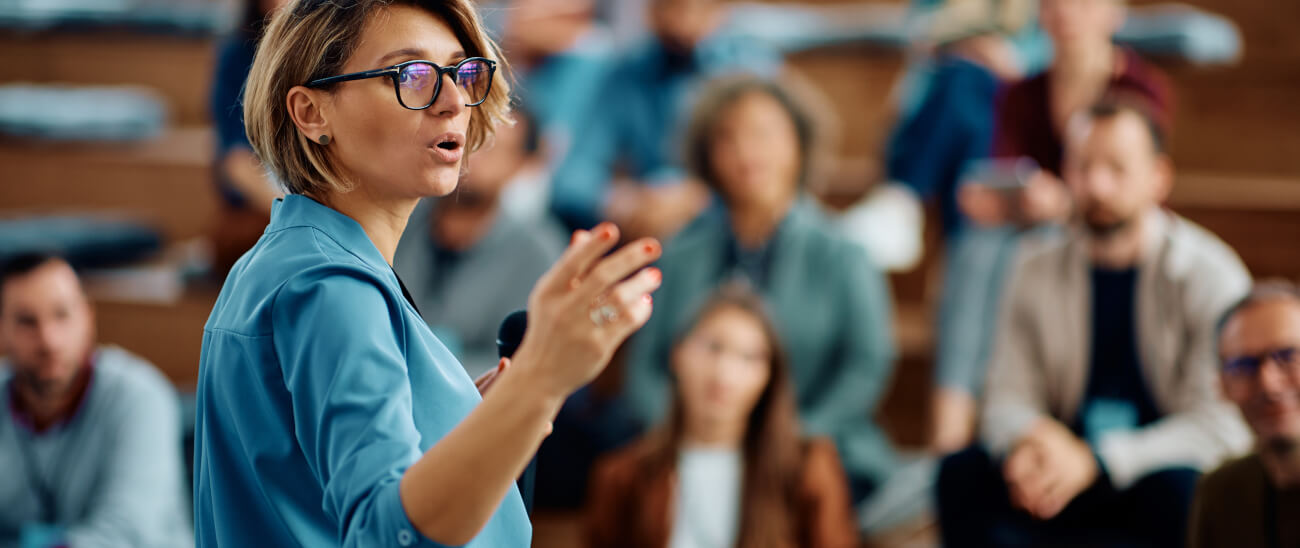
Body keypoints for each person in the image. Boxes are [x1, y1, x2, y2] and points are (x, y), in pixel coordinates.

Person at [192, 1, 664, 546]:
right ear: (311, 112)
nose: (451, 101)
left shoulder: (288, 258)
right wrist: (541, 381)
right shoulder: (330, 286)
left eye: (462, 72)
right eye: (410, 75)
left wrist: (472, 415)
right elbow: (389, 532)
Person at [935, 101, 1251, 547]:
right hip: (1059, 470)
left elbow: (1219, 425)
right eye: (1083, 167)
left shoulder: (1209, 274)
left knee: (1185, 490)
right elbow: (1005, 397)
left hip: (1147, 471)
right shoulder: (1032, 266)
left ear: (1159, 177)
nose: (1097, 185)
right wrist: (1031, 440)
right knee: (961, 474)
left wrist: (1097, 459)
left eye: (1117, 168)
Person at [625, 75, 897, 505]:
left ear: (799, 144)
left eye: (763, 133)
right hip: (688, 453)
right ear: (707, 156)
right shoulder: (680, 254)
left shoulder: (844, 253)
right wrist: (687, 436)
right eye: (727, 138)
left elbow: (865, 366)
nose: (746, 152)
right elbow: (645, 369)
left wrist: (790, 439)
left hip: (812, 449)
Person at [931, 0, 1175, 451]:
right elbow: (1009, 168)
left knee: (1019, 251)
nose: (1066, 13)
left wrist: (1064, 203)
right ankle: (953, 419)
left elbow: (1135, 188)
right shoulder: (1023, 91)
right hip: (1030, 229)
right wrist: (998, 197)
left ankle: (976, 421)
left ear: (1114, 13)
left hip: (1097, 227)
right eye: (1053, 4)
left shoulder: (1141, 87)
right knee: (978, 245)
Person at [586, 286, 858, 547]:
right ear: (677, 353)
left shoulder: (806, 468)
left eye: (749, 358)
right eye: (713, 347)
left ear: (769, 376)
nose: (724, 373)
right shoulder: (623, 477)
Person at [0, 253, 191, 548]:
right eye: (27, 322)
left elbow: (126, 532)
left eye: (62, 315)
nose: (49, 340)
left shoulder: (140, 397)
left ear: (88, 317)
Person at [548, 0, 781, 239]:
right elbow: (572, 178)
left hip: (724, 231)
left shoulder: (748, 69)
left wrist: (696, 197)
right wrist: (620, 201)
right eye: (668, 6)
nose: (679, 21)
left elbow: (769, 171)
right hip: (645, 227)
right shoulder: (628, 74)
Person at [394, 107, 566, 378]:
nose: (472, 156)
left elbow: (519, 364)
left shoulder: (536, 251)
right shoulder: (398, 216)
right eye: (467, 138)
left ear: (521, 164)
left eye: (492, 148)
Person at [1189, 282, 1300, 548]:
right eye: (1243, 365)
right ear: (1223, 386)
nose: (1268, 384)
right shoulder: (1220, 493)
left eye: (1287, 356)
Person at [208, 0, 291, 274]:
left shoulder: (338, 54)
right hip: (263, 211)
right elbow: (236, 164)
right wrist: (295, 213)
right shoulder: (237, 56)